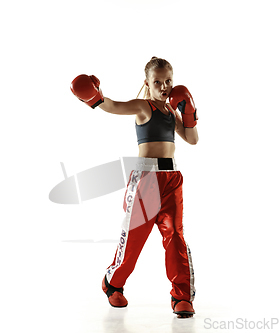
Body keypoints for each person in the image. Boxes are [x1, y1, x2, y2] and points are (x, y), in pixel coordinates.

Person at [70, 57, 198, 318]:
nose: (164, 87)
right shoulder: (144, 107)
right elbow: (114, 106)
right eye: (158, 82)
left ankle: (181, 296)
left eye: (168, 81)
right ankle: (113, 283)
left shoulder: (172, 112)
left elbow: (192, 139)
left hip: (172, 178)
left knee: (175, 237)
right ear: (147, 84)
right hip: (147, 179)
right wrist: (95, 97)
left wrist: (189, 112)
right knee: (135, 239)